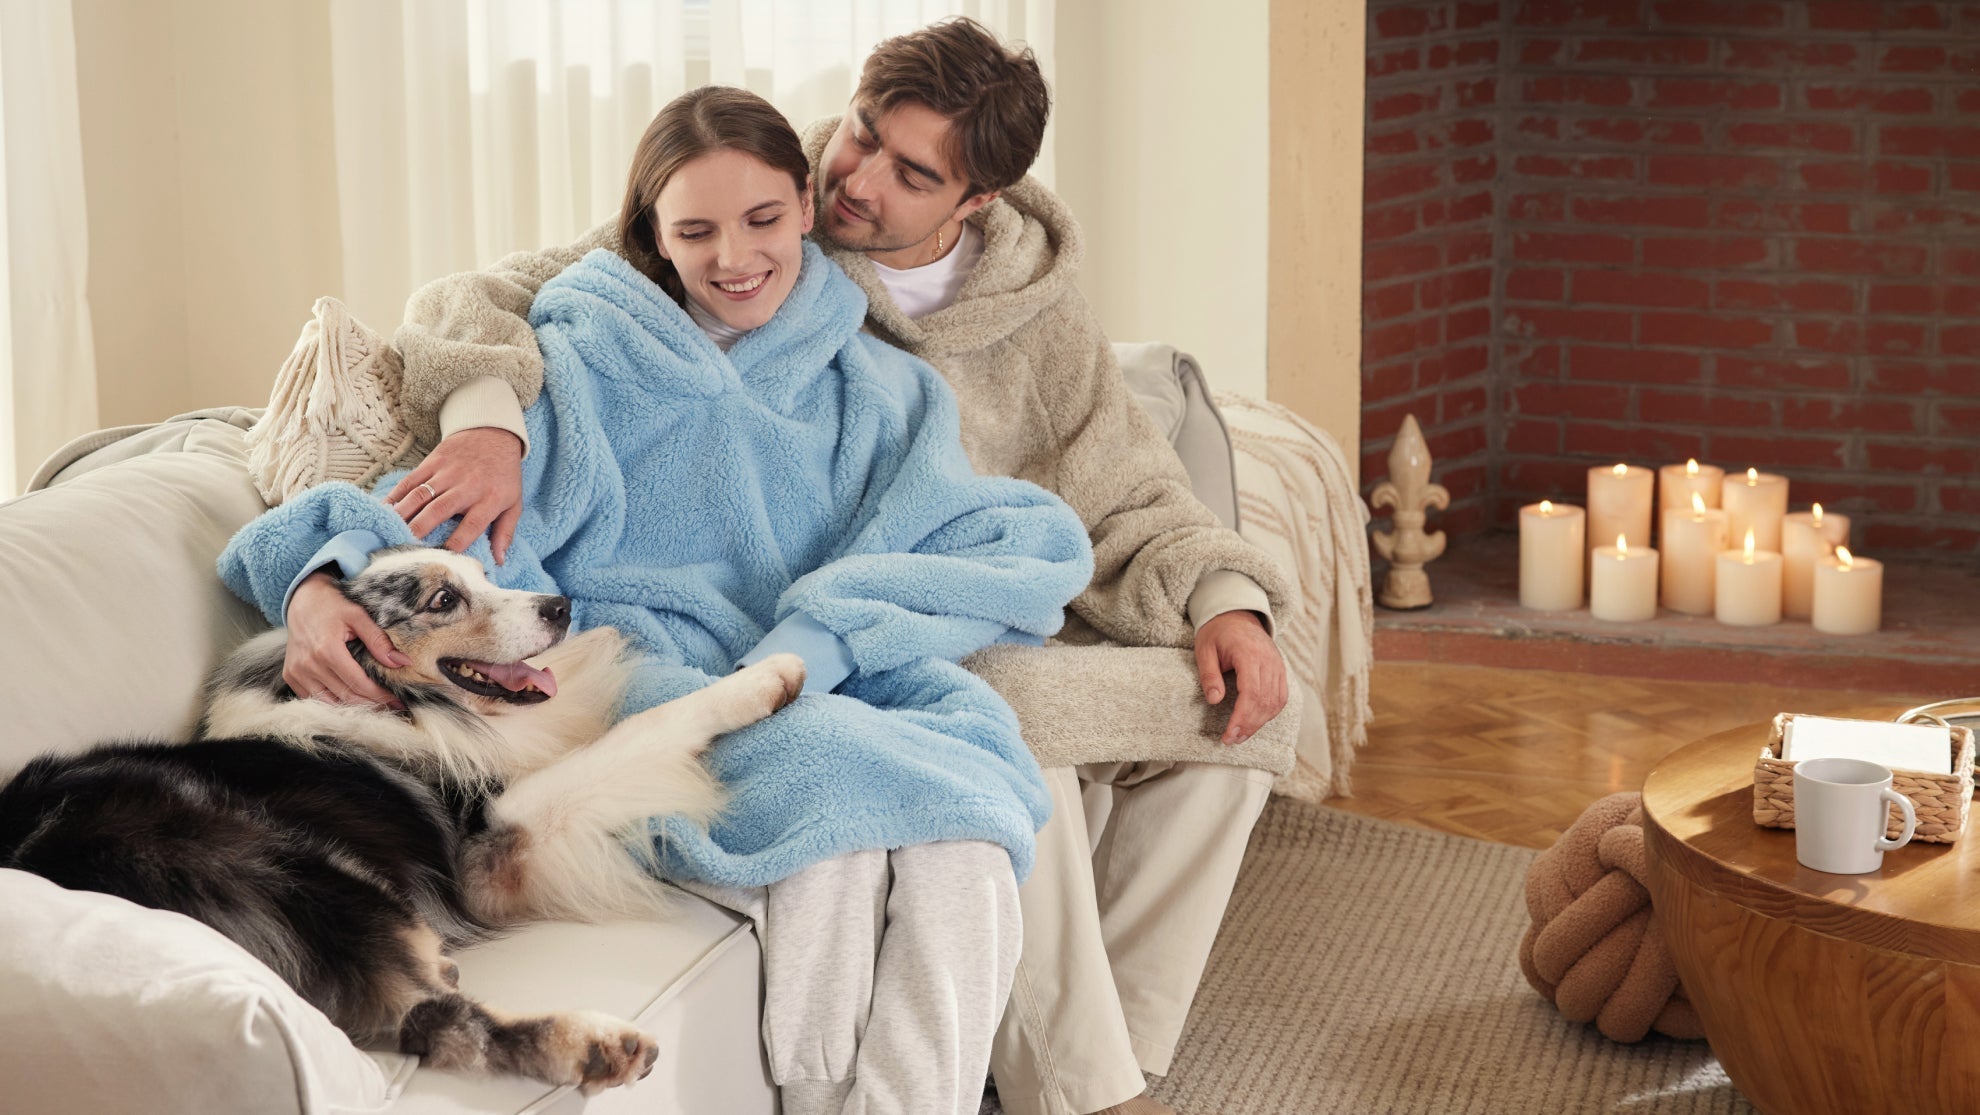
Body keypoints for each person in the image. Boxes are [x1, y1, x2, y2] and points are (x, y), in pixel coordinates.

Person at [297, 18, 1296, 1115]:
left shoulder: (1032, 319)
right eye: (863, 134)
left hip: (931, 603)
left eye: (912, 173)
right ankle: (1083, 1089)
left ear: (976, 204)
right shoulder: (760, 195)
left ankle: (1114, 1054)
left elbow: (1128, 491)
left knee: (1239, 724)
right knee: (1003, 753)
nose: (859, 177)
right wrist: (490, 424)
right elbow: (499, 298)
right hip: (812, 641)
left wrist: (1226, 599)